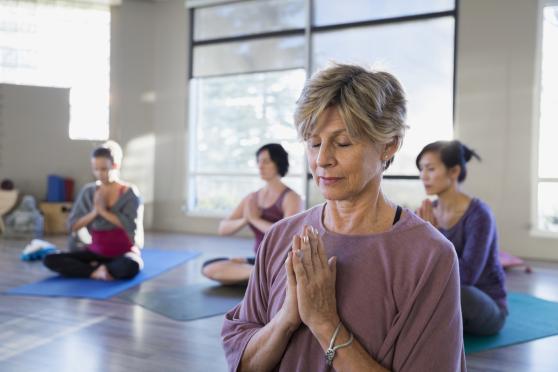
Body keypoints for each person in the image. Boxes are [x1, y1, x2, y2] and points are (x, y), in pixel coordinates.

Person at [221, 64, 466, 371]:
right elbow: (243, 364)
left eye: (343, 143)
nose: (322, 159)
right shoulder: (281, 237)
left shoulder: (430, 256)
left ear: (389, 145)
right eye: (313, 142)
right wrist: (286, 319)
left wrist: (325, 323)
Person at [416, 140, 507, 336]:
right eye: (421, 169)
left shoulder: (479, 215)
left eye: (430, 169)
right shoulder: (426, 212)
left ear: (454, 171)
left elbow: (466, 276)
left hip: (481, 303)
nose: (423, 175)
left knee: (455, 293)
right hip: (443, 299)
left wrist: (434, 236)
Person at [202, 143, 304, 285]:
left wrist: (254, 219)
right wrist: (245, 219)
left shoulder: (292, 198)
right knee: (209, 267)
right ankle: (260, 276)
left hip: (282, 261)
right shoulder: (252, 198)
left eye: (266, 161)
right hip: (258, 260)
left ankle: (263, 277)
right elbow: (223, 229)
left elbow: (287, 236)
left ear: (278, 163)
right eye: (259, 162)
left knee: (274, 268)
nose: (260, 166)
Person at [43, 140, 144, 281]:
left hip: (122, 253)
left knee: (132, 265)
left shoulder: (129, 192)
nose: (99, 173)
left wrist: (103, 212)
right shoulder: (89, 191)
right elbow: (73, 225)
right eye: (95, 169)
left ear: (115, 166)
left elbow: (130, 225)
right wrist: (95, 212)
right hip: (94, 252)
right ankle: (97, 271)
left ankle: (95, 268)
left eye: (104, 169)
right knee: (49, 259)